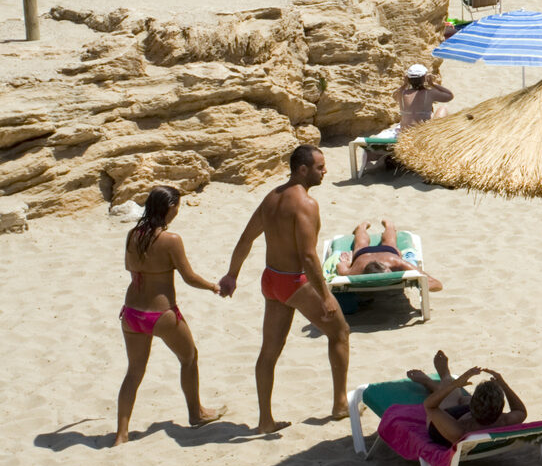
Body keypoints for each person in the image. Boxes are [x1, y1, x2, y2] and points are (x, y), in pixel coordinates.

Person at [217, 146, 351, 432]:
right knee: (339, 332)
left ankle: (265, 420)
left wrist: (232, 274)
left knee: (269, 351)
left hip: (271, 280)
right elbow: (308, 256)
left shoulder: (271, 197)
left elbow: (245, 239)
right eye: (320, 167)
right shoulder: (305, 204)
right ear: (302, 170)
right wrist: (325, 295)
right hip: (295, 282)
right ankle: (340, 404)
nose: (325, 171)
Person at [116, 186, 223, 444]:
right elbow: (189, 277)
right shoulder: (171, 239)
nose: (177, 212)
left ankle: (121, 434)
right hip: (161, 313)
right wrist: (212, 286)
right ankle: (196, 413)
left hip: (131, 313)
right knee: (189, 357)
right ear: (170, 207)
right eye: (177, 207)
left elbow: (131, 268)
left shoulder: (133, 235)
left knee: (134, 372)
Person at [399, 354, 526, 447]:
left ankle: (439, 378)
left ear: (473, 406)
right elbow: (520, 410)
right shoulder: (507, 420)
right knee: (463, 398)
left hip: (442, 427)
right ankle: (444, 385)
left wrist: (455, 384)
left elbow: (430, 406)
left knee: (452, 394)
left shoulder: (459, 431)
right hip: (476, 417)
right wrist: (503, 384)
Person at [333, 220, 442, 290]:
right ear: (388, 268)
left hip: (365, 254)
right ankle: (389, 226)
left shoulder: (355, 272)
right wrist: (425, 283)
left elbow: (340, 267)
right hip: (383, 253)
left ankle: (362, 227)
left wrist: (347, 262)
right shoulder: (395, 261)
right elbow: (433, 281)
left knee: (360, 244)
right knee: (389, 242)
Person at [398, 64, 453, 130]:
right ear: (424, 78)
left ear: (408, 79)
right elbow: (450, 95)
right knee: (443, 109)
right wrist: (432, 84)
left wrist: (405, 84)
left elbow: (394, 94)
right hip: (423, 131)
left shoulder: (402, 93)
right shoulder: (429, 93)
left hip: (405, 130)